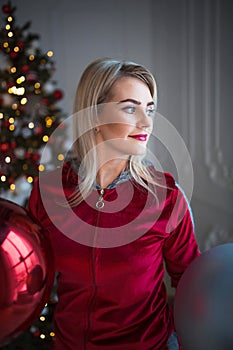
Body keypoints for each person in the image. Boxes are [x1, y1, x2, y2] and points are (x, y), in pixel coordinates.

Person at [28, 58, 200, 350]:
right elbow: (31, 275)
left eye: (150, 110)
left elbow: (193, 284)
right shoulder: (49, 192)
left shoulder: (167, 196)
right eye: (131, 108)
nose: (147, 123)